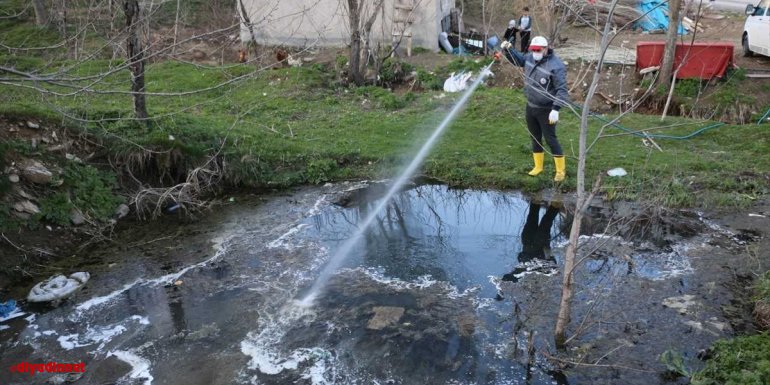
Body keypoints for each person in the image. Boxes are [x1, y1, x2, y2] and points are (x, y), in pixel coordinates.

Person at [523, 35, 570, 182]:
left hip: (546, 110)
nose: (535, 53)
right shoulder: (530, 58)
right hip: (531, 106)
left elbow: (562, 90)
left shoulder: (556, 66)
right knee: (535, 137)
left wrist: (556, 109)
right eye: (533, 50)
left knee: (550, 139)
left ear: (546, 49)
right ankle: (538, 167)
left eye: (538, 50)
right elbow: (519, 59)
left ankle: (560, 171)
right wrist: (508, 50)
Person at [501, 202, 560, 284]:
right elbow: (552, 262)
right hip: (540, 244)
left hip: (527, 242)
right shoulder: (542, 275)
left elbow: (519, 259)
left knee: (532, 216)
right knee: (546, 220)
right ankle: (557, 201)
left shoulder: (523, 272)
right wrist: (547, 252)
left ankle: (537, 199)